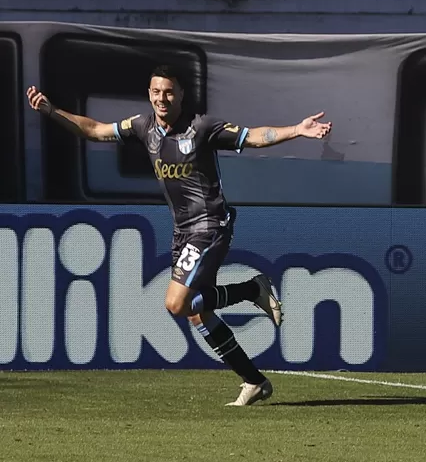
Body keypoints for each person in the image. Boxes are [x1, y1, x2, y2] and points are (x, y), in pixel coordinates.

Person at [26, 65, 333, 406]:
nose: (162, 98)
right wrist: (51, 111)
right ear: (149, 94)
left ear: (181, 95)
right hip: (182, 231)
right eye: (156, 91)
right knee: (195, 312)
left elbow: (255, 136)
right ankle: (254, 380)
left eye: (169, 91)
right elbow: (95, 130)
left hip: (209, 225)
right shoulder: (143, 127)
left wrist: (297, 130)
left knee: (175, 303)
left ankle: (251, 291)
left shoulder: (202, 127)